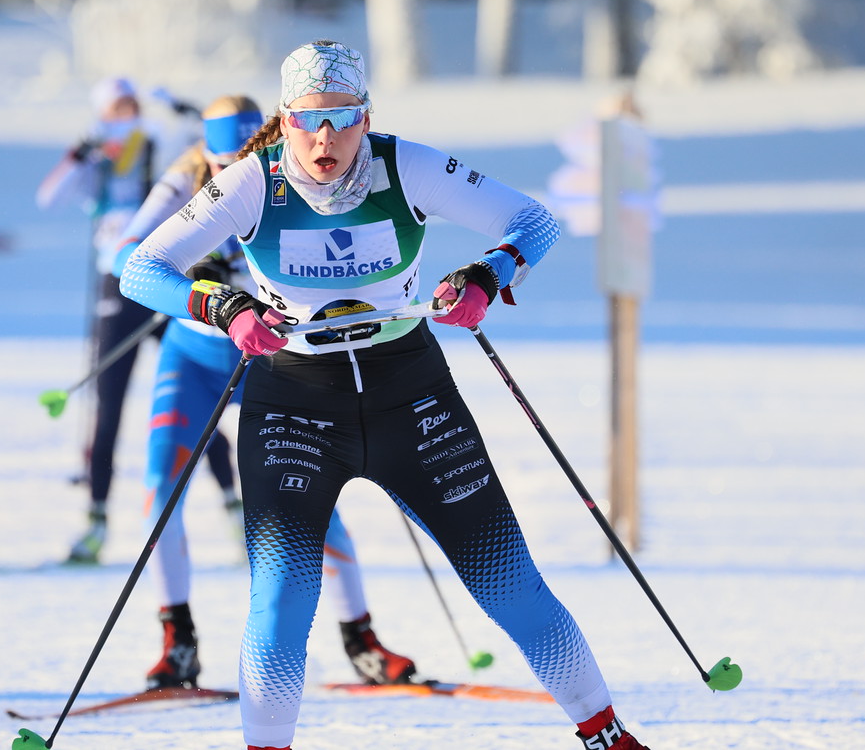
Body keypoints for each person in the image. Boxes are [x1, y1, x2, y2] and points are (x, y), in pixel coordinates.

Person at [120, 41, 649, 750]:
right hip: (294, 404)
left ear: (366, 116)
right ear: (284, 120)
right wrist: (221, 307)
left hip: (411, 393)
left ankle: (609, 735)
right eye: (308, 120)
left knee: (508, 581)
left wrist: (489, 274)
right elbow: (139, 268)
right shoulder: (252, 181)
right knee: (280, 605)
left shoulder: (409, 165)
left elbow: (537, 222)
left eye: (343, 118)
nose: (326, 138)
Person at [113, 94, 418, 692]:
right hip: (197, 358)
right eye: (221, 162)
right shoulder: (186, 177)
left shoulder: (288, 171)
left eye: (244, 160)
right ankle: (178, 642)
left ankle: (360, 639)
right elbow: (121, 255)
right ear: (205, 152)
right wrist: (200, 280)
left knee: (310, 497)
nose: (232, 175)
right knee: (161, 488)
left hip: (274, 361)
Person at [37, 76, 235, 563]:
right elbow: (50, 198)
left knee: (197, 399)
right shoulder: (96, 154)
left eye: (130, 105)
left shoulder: (154, 141)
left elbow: (201, 148)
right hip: (115, 283)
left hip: (161, 280)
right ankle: (97, 523)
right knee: (109, 405)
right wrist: (80, 153)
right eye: (115, 108)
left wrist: (188, 111)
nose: (124, 115)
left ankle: (236, 516)